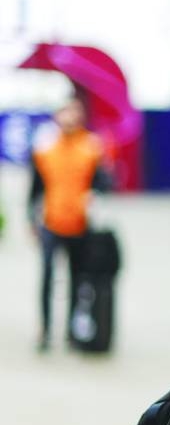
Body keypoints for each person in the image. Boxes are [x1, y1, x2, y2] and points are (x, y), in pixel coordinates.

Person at [28, 97, 106, 351]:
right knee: (48, 277)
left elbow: (103, 182)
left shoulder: (91, 148)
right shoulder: (45, 149)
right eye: (65, 113)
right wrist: (31, 218)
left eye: (74, 113)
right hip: (51, 221)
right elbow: (35, 187)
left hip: (80, 223)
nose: (69, 118)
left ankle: (72, 332)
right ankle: (46, 330)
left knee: (76, 278)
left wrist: (95, 192)